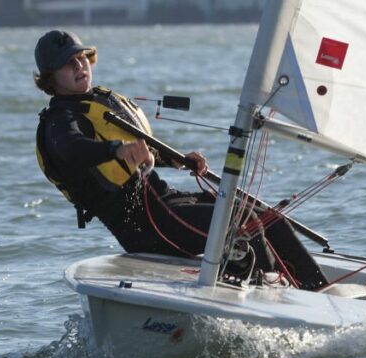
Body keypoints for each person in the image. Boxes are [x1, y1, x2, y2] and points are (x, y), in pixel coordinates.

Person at [32, 29, 328, 291]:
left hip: (165, 203)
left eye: (81, 58)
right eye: (67, 64)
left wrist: (177, 160)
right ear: (50, 77)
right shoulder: (60, 121)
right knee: (241, 223)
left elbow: (143, 153)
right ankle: (273, 290)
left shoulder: (96, 101)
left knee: (264, 214)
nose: (79, 65)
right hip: (145, 226)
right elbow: (73, 149)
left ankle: (318, 289)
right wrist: (116, 150)